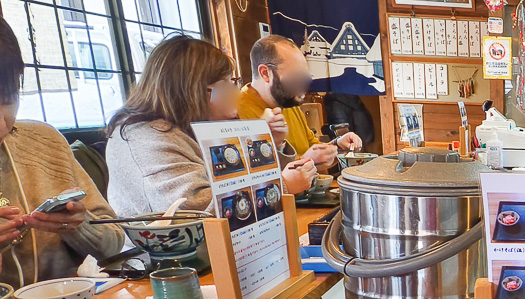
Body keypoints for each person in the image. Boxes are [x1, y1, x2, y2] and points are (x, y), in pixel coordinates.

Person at [106, 35, 315, 218]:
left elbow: (242, 176)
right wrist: (283, 186)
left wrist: (271, 144)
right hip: (156, 260)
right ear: (192, 91)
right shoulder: (148, 138)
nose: (235, 92)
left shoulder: (198, 125)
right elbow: (195, 209)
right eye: (226, 84)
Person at [0, 18, 124, 288]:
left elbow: (115, 241)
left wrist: (79, 226)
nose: (2, 123)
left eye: (8, 99)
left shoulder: (46, 141)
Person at [237, 35, 362, 171]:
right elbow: (251, 176)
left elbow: (312, 148)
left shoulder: (287, 101)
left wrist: (338, 145)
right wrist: (306, 161)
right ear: (265, 73)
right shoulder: (236, 112)